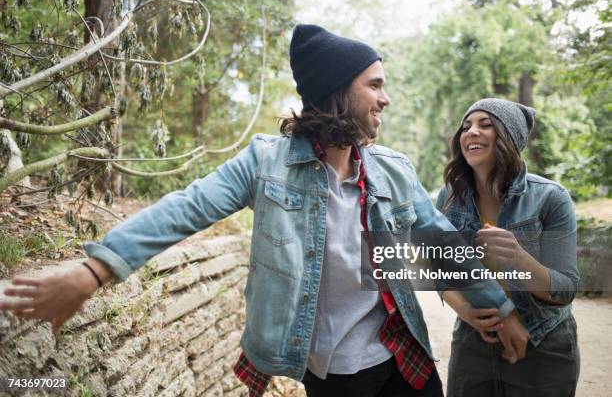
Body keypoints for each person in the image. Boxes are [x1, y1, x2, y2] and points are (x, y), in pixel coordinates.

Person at [0, 25, 528, 397]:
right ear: (337, 92)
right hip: (333, 375)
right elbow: (186, 208)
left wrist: (501, 310)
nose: (386, 99)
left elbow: (440, 242)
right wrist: (93, 271)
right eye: (375, 84)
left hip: (405, 359)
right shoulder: (265, 165)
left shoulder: (391, 169)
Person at [436, 98, 580, 397]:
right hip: (473, 343)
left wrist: (519, 258)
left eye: (485, 125)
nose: (471, 132)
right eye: (466, 126)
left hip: (542, 345)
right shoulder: (449, 199)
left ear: (509, 137)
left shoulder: (551, 199)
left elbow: (565, 289)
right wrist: (465, 311)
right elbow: (441, 271)